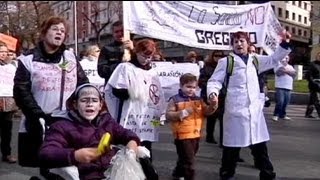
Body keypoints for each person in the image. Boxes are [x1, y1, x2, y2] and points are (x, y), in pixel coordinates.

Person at [207, 30, 291, 180]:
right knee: (232, 148)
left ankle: (267, 174)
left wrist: (284, 43)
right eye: (235, 42)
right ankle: (227, 174)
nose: (239, 44)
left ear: (248, 43)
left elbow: (274, 59)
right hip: (236, 111)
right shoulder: (227, 62)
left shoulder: (255, 60)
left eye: (242, 41)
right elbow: (214, 81)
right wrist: (213, 93)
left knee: (260, 146)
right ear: (232, 45)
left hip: (254, 112)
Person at [13, 16, 89, 179]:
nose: (59, 33)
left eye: (62, 31)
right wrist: (37, 115)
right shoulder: (28, 59)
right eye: (55, 29)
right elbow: (21, 91)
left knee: (72, 166)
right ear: (44, 32)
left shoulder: (70, 58)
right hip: (41, 122)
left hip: (69, 122)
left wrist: (86, 105)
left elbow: (83, 84)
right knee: (49, 168)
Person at [38, 83, 140, 180]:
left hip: (111, 173)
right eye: (84, 100)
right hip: (84, 176)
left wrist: (132, 145)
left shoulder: (107, 121)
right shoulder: (62, 126)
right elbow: (46, 153)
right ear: (75, 104)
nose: (89, 104)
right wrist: (75, 155)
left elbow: (125, 134)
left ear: (100, 105)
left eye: (94, 100)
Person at [104, 38, 166, 161]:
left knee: (146, 148)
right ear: (136, 52)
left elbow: (157, 94)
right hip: (130, 115)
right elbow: (116, 90)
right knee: (128, 147)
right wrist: (132, 92)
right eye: (144, 56)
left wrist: (160, 116)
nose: (147, 59)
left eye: (150, 56)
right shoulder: (125, 68)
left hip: (147, 118)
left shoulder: (152, 72)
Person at [166, 73, 217, 180]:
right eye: (188, 87)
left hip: (196, 134)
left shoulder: (198, 99)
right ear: (181, 86)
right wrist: (182, 113)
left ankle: (177, 173)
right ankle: (189, 177)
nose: (191, 90)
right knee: (189, 161)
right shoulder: (175, 99)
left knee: (185, 157)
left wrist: (213, 105)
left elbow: (206, 112)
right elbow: (168, 115)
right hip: (182, 136)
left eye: (193, 87)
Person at [198, 50, 225, 145]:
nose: (218, 58)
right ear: (212, 56)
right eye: (216, 55)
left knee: (224, 120)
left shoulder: (226, 67)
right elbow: (201, 82)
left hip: (223, 96)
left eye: (221, 56)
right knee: (211, 118)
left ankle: (223, 141)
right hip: (211, 96)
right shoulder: (207, 68)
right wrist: (211, 89)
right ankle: (209, 136)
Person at [0, 41, 18, 163]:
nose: (3, 54)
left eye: (5, 52)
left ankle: (6, 154)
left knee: (7, 129)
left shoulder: (12, 66)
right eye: (1, 52)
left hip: (9, 98)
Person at [272, 55, 296, 121]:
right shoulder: (277, 65)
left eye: (287, 58)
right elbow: (278, 73)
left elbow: (294, 74)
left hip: (288, 87)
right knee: (280, 102)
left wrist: (285, 71)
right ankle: (276, 114)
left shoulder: (290, 66)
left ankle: (283, 114)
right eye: (284, 58)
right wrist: (287, 71)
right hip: (280, 86)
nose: (285, 59)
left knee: (286, 102)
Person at [305, 52, 320, 118]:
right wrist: (314, 83)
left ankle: (308, 113)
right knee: (317, 100)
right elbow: (308, 75)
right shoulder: (312, 64)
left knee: (312, 100)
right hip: (314, 85)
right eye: (318, 56)